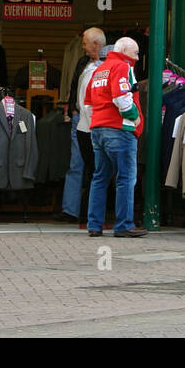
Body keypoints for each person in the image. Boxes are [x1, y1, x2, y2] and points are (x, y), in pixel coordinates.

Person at [85, 37, 146, 238]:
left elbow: (88, 103)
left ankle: (94, 225)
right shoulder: (122, 66)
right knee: (126, 178)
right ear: (125, 52)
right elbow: (121, 97)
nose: (137, 57)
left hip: (98, 128)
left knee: (100, 178)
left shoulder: (98, 70)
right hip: (119, 129)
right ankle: (124, 225)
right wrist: (135, 118)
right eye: (135, 53)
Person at [59, 27, 104, 223]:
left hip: (100, 122)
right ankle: (70, 210)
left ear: (96, 44)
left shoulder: (109, 65)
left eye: (85, 43)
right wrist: (74, 112)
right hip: (80, 119)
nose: (83, 47)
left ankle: (92, 213)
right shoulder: (83, 62)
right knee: (76, 164)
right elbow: (74, 86)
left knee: (99, 167)